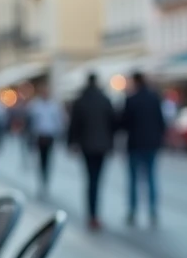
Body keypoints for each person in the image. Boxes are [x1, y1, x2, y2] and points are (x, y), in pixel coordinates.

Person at [67, 73, 118, 231]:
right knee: (97, 180)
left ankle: (92, 214)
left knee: (90, 180)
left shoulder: (80, 101)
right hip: (102, 146)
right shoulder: (105, 99)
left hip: (86, 146)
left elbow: (74, 125)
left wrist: (72, 143)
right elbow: (114, 123)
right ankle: (95, 214)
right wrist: (111, 144)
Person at [119, 71, 167, 226]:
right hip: (151, 144)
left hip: (135, 145)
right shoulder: (154, 99)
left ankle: (133, 210)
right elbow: (161, 122)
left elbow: (124, 123)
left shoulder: (131, 100)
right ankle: (152, 210)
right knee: (151, 178)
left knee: (133, 180)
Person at [25, 84, 67, 195]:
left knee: (47, 160)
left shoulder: (54, 106)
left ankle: (46, 180)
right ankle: (41, 180)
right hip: (39, 135)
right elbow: (31, 121)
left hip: (49, 136)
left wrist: (59, 134)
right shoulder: (35, 105)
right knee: (41, 159)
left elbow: (59, 122)